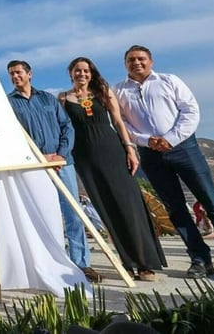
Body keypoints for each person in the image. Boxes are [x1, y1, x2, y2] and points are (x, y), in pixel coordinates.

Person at [114, 45, 214, 281]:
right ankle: (200, 259)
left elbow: (190, 110)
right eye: (131, 60)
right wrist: (146, 140)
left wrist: (170, 139)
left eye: (141, 59)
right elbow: (121, 124)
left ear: (150, 61)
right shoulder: (119, 91)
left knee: (213, 203)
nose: (136, 63)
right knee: (176, 210)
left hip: (184, 148)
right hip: (150, 154)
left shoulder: (169, 80)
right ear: (125, 64)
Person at [59, 57, 165, 281]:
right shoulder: (62, 99)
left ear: (91, 72)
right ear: (70, 73)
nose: (82, 74)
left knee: (129, 204)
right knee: (106, 210)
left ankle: (146, 263)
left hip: (112, 151)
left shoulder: (103, 92)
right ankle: (125, 262)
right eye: (77, 71)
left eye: (86, 70)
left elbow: (118, 122)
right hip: (85, 159)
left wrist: (129, 149)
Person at [6, 60, 101, 283]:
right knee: (43, 215)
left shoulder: (49, 99)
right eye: (11, 74)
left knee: (73, 213)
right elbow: (13, 135)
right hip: (34, 167)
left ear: (29, 74)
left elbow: (66, 126)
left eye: (19, 72)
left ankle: (81, 263)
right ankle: (51, 264)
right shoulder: (8, 104)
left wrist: (60, 153)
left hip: (62, 163)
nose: (15, 77)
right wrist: (40, 157)